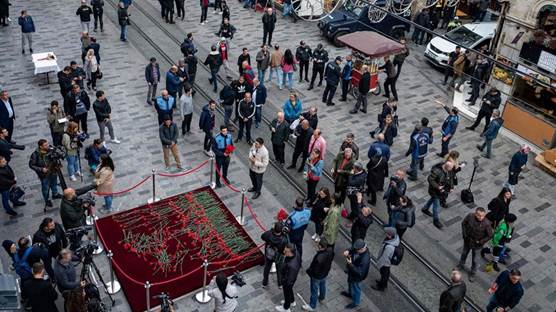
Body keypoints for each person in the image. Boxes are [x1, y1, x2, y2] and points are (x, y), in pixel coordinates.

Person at [458, 207, 493, 282]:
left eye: (482, 216)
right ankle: (460, 265)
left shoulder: (486, 223)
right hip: (468, 240)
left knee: (475, 260)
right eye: (479, 215)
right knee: (464, 253)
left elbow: (490, 235)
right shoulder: (470, 216)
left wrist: (481, 242)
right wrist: (464, 234)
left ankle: (472, 273)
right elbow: (463, 223)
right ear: (475, 214)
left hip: (477, 245)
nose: (481, 217)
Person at [303, 239, 334, 312]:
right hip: (325, 273)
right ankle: (322, 297)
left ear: (320, 246)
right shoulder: (330, 251)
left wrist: (310, 273)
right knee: (323, 285)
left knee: (314, 291)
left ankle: (312, 306)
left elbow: (315, 270)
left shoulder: (319, 257)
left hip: (317, 276)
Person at [29, 139, 62, 207]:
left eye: (47, 144)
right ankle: (47, 200)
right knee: (45, 188)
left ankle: (55, 194)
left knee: (54, 184)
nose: (48, 146)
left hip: (53, 171)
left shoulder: (51, 149)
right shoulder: (35, 154)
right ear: (41, 147)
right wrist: (41, 169)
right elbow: (31, 165)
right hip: (44, 174)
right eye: (45, 145)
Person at [421, 161, 455, 229]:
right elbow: (430, 179)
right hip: (435, 191)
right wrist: (437, 187)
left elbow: (451, 178)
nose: (452, 169)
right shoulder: (437, 171)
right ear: (446, 167)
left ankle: (425, 209)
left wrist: (451, 187)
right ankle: (436, 221)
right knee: (436, 206)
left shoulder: (449, 170)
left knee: (432, 199)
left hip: (442, 191)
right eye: (451, 168)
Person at [340, 239, 370, 309]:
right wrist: (347, 250)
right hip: (352, 273)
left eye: (357, 250)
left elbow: (360, 273)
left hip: (357, 277)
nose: (355, 250)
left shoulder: (365, 259)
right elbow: (352, 248)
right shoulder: (358, 248)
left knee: (356, 288)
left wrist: (350, 264)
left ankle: (356, 302)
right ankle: (350, 294)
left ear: (362, 249)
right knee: (350, 283)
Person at [372, 227, 400, 291]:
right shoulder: (394, 238)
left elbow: (384, 257)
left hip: (386, 263)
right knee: (386, 274)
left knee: (384, 274)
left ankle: (381, 287)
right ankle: (384, 283)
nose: (385, 234)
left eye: (387, 233)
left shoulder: (389, 247)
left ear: (390, 235)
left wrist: (379, 264)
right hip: (388, 262)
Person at [275, 243, 301, 312]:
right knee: (289, 291)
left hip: (288, 281)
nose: (284, 252)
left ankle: (286, 308)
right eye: (284, 250)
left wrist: (283, 281)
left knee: (287, 293)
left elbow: (289, 279)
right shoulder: (296, 253)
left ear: (290, 252)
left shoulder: (291, 265)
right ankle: (292, 301)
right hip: (291, 279)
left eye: (286, 251)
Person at [261, 222, 288, 288]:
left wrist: (271, 230)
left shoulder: (268, 234)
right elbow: (285, 248)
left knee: (267, 268)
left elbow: (262, 236)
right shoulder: (284, 239)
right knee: (279, 269)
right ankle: (280, 284)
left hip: (269, 255)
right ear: (281, 230)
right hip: (279, 256)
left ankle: (265, 283)